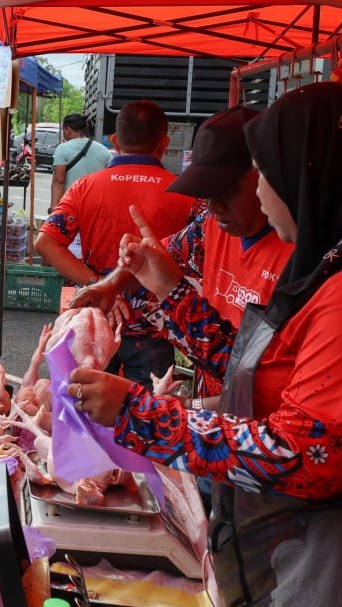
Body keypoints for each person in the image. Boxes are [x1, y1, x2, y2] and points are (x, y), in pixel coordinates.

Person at [68, 81, 342, 607]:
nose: (262, 194)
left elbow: (304, 454)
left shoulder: (339, 295)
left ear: (306, 173)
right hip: (267, 542)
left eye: (265, 174)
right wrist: (168, 291)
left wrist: (143, 416)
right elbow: (251, 374)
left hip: (318, 564)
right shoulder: (314, 267)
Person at [71, 105, 294, 405]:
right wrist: (110, 285)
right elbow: (155, 258)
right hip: (212, 400)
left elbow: (268, 381)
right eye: (207, 194)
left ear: (266, 176)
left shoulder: (303, 260)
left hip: (252, 419)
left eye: (227, 192)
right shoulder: (209, 227)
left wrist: (188, 410)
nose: (214, 208)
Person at [35, 99, 195, 389]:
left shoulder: (85, 187)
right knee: (148, 418)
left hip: (95, 324)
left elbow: (46, 243)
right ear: (163, 144)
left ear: (114, 141)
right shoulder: (183, 193)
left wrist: (98, 283)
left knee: (85, 413)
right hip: (155, 329)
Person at [49, 112, 111, 212]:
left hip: (70, 206)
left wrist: (53, 210)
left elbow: (59, 181)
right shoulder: (104, 150)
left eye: (63, 131)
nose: (63, 135)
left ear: (68, 130)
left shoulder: (62, 149)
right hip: (95, 208)